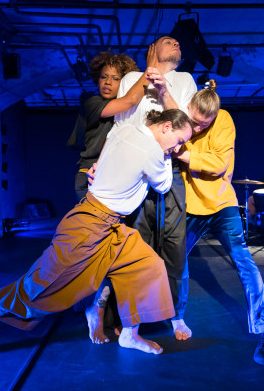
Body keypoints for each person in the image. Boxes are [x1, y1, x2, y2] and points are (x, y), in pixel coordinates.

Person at [0, 109, 193, 360]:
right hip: (88, 227)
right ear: (166, 127)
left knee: (146, 264)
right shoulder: (152, 150)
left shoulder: (126, 129)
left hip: (112, 226)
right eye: (179, 141)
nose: (178, 148)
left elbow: (109, 149)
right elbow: (163, 185)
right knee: (34, 290)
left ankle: (129, 335)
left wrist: (99, 167)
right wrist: (168, 157)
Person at [85, 35, 197, 343]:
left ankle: (176, 314)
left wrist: (163, 91)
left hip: (170, 168)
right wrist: (101, 164)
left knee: (175, 246)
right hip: (134, 170)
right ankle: (128, 319)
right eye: (168, 40)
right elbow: (119, 127)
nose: (176, 43)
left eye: (178, 42)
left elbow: (184, 126)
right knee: (134, 245)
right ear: (152, 49)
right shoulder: (132, 78)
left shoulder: (186, 79)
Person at [173, 80, 264, 365]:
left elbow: (218, 165)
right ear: (188, 108)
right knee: (175, 260)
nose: (198, 128)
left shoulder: (223, 119)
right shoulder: (183, 116)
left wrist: (182, 153)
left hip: (222, 205)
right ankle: (176, 317)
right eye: (195, 121)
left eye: (204, 124)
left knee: (245, 263)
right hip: (191, 208)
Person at [74, 47, 158, 201]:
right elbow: (130, 100)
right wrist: (150, 69)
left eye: (115, 78)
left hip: (112, 174)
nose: (108, 82)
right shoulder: (92, 103)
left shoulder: (126, 114)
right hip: (91, 174)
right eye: (103, 77)